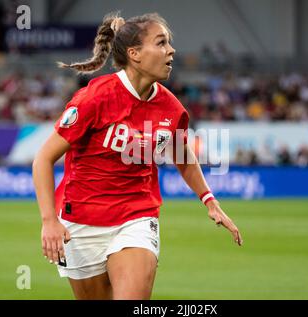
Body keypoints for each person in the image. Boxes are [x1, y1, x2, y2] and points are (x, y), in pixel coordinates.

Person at [32, 12, 243, 300]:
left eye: (168, 43)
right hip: (81, 220)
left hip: (137, 216)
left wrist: (210, 200)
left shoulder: (172, 109)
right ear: (135, 54)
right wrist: (49, 221)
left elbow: (182, 155)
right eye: (161, 43)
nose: (171, 50)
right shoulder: (95, 98)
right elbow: (43, 159)